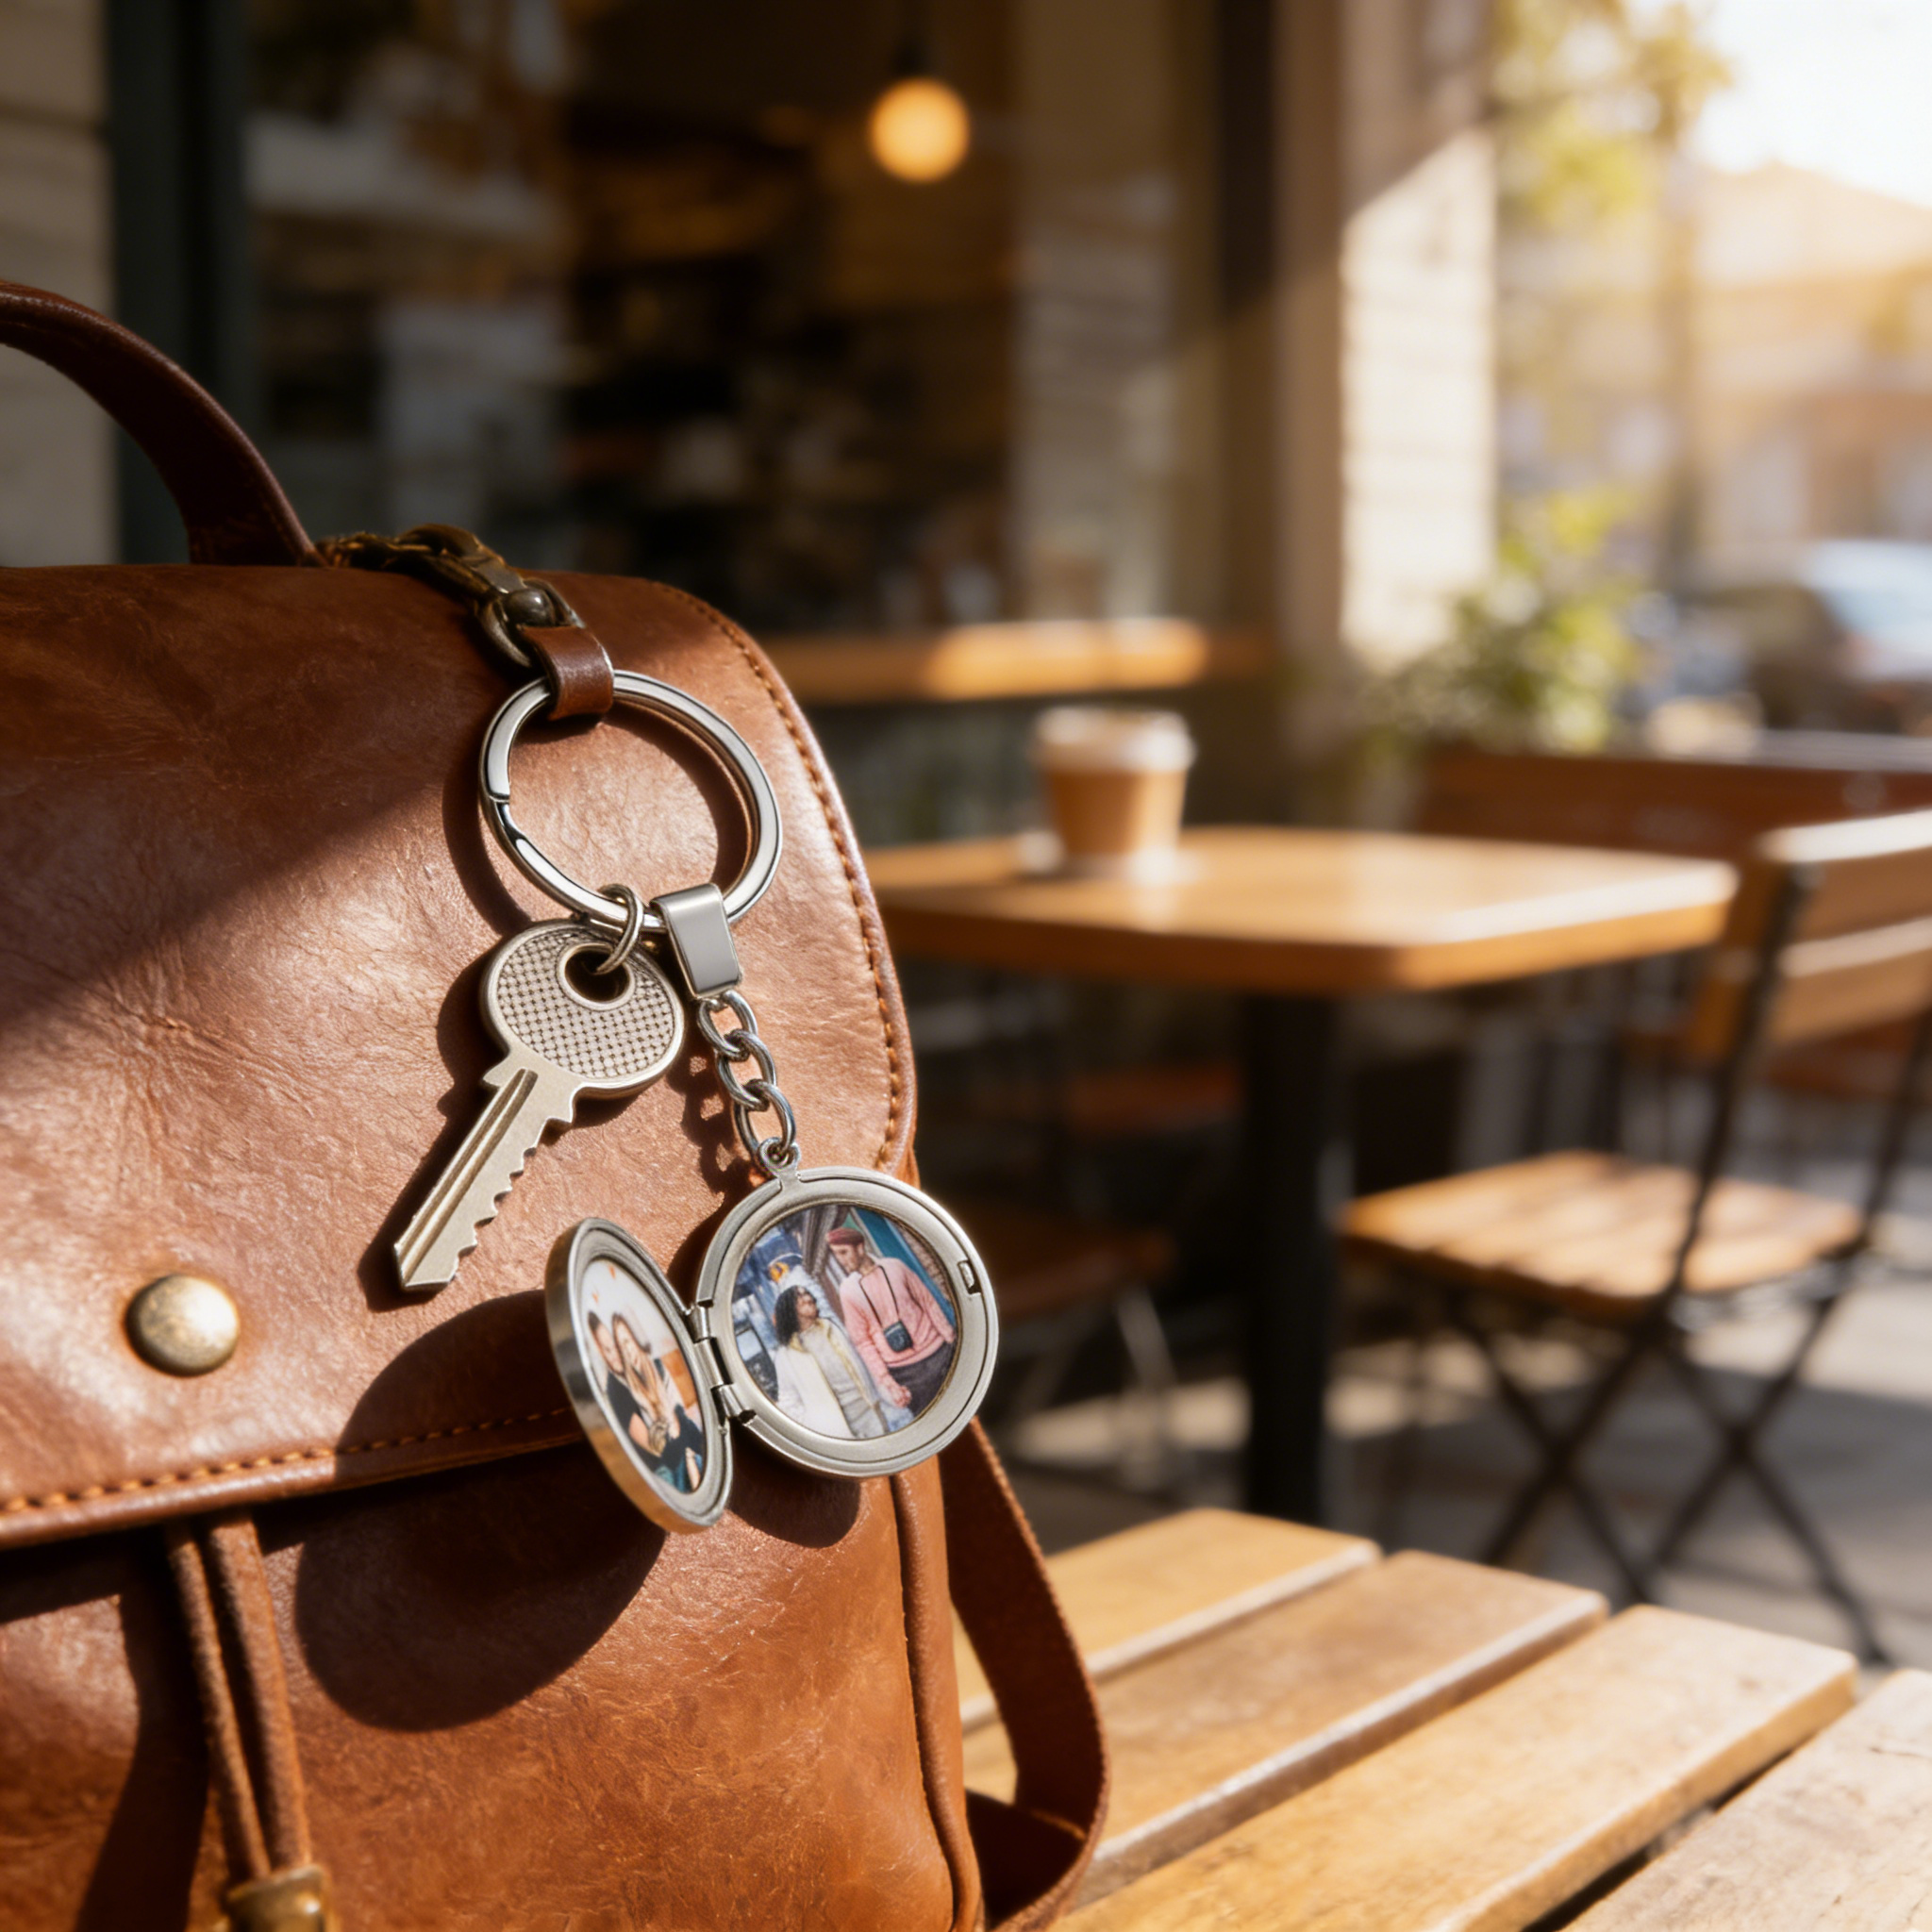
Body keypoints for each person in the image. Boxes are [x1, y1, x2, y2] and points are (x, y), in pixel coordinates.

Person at [827, 1223, 956, 1420]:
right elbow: (862, 1341)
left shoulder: (895, 1266)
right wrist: (887, 1382)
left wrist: (950, 1337)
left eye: (844, 1252)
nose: (841, 1260)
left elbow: (927, 1302)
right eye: (836, 1255)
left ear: (860, 1247)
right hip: (904, 1373)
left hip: (938, 1352)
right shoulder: (848, 1290)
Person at [769, 1285, 892, 1439]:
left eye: (807, 1293)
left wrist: (883, 1388)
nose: (808, 1298)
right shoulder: (786, 1356)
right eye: (799, 1297)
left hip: (872, 1414)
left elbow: (860, 1361)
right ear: (787, 1310)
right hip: (840, 1433)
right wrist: (816, 1426)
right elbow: (789, 1401)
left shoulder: (832, 1328)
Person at [612, 1313, 705, 1493]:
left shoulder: (659, 1367)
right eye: (622, 1345)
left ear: (636, 1337)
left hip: (685, 1442)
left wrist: (689, 1453)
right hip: (667, 1464)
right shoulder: (624, 1390)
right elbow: (659, 1451)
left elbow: (680, 1418)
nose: (628, 1349)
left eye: (629, 1340)